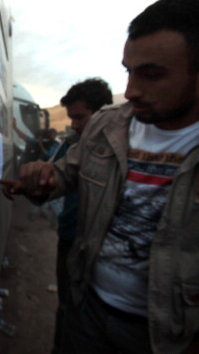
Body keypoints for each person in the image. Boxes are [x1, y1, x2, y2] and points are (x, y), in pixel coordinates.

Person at [0, 0, 199, 353]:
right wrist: (41, 180)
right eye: (129, 71)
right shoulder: (107, 125)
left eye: (151, 75)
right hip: (84, 309)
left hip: (163, 337)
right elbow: (68, 173)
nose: (131, 91)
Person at [48, 78, 113, 354]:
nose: (74, 125)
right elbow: (53, 174)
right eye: (71, 118)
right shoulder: (73, 145)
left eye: (80, 117)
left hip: (99, 246)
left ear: (103, 113)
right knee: (67, 307)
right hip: (69, 236)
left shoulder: (123, 150)